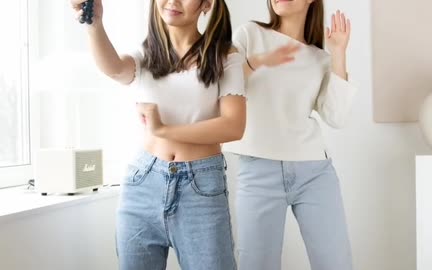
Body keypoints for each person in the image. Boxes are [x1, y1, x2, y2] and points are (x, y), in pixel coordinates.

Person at [70, 0, 246, 269]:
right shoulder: (145, 54)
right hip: (143, 183)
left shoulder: (225, 55)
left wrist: (163, 129)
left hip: (201, 188)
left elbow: (233, 126)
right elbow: (115, 69)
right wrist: (95, 25)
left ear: (207, 4)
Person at [223, 0, 357, 269]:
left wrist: (338, 53)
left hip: (314, 172)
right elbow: (224, 87)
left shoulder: (320, 57)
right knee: (256, 264)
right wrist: (259, 62)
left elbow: (336, 116)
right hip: (258, 170)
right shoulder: (249, 34)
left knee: (336, 263)